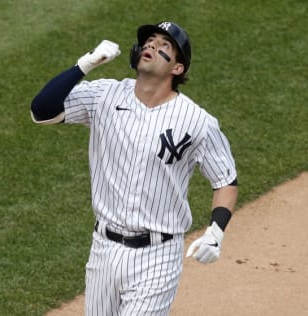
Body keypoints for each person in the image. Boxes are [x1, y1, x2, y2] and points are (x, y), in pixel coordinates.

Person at [31, 21, 238, 316]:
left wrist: (216, 232)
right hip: (103, 250)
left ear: (177, 69)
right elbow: (42, 110)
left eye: (164, 45)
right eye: (149, 41)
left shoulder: (197, 122)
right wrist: (85, 64)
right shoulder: (105, 96)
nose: (152, 46)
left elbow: (226, 180)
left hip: (157, 256)